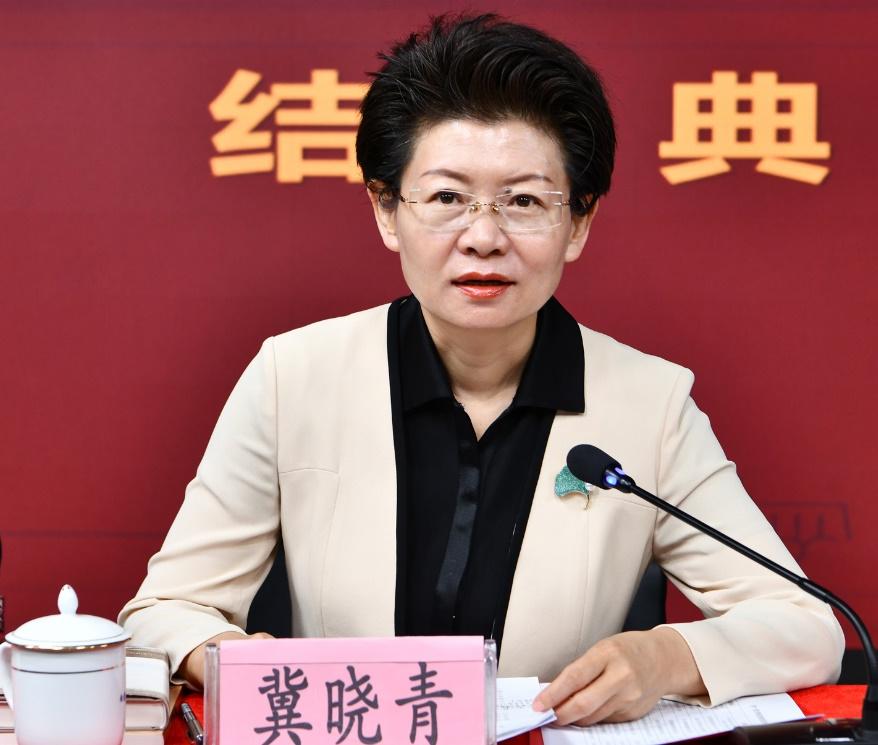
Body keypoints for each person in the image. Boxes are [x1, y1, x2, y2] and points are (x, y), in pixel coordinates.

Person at [119, 13, 843, 726]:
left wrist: (665, 656)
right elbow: (164, 609)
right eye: (447, 198)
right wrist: (237, 661)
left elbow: (806, 626)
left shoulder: (651, 403)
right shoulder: (293, 377)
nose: (484, 237)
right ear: (387, 211)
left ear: (579, 222)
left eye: (524, 201)